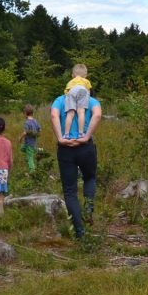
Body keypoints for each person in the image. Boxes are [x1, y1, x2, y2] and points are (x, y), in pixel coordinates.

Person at [51, 91, 102, 239]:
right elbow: (97, 115)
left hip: (65, 148)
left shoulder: (60, 100)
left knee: (70, 191)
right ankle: (88, 209)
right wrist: (85, 137)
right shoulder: (91, 100)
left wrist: (60, 138)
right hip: (85, 147)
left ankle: (80, 231)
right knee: (90, 178)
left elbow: (54, 115)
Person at [62, 63, 92, 141]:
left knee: (70, 114)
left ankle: (66, 134)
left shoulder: (71, 81)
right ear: (85, 75)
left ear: (73, 75)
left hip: (72, 91)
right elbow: (88, 90)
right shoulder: (86, 81)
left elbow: (66, 92)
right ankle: (80, 133)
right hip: (83, 90)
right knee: (81, 112)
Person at [18, 104, 42, 173]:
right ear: (33, 113)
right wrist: (35, 133)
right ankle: (35, 150)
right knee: (22, 148)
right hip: (32, 142)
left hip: (29, 144)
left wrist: (20, 138)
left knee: (30, 158)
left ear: (25, 113)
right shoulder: (35, 121)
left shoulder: (27, 123)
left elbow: (24, 133)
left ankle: (32, 171)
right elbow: (40, 130)